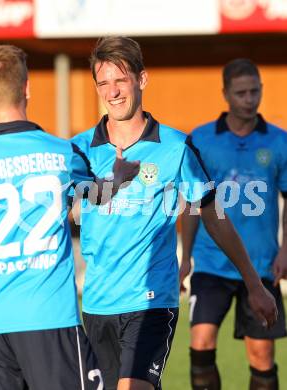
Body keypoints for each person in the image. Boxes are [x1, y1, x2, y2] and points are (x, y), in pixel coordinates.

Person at [70, 37, 278, 390]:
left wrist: (254, 284)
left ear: (142, 79)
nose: (113, 92)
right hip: (96, 303)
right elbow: (69, 212)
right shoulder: (78, 149)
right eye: (103, 83)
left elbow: (213, 215)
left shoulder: (177, 147)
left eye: (121, 80)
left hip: (151, 300)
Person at [0, 44, 139, 390]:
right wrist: (118, 179)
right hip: (53, 322)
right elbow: (97, 196)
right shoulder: (62, 153)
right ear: (28, 87)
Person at [180, 58, 287, 390]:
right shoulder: (200, 139)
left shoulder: (279, 141)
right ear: (225, 93)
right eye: (241, 92)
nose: (249, 99)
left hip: (262, 264)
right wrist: (185, 259)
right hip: (212, 264)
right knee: (201, 344)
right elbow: (192, 204)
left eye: (255, 91)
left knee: (260, 355)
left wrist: (285, 249)